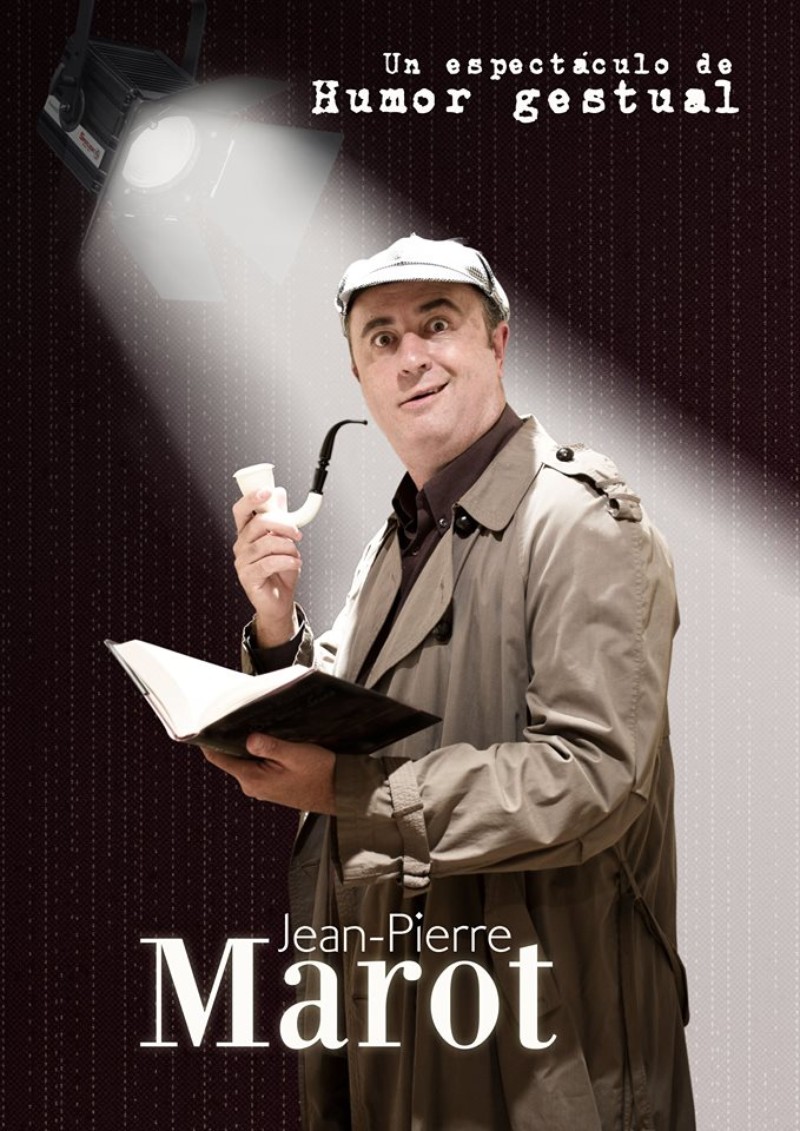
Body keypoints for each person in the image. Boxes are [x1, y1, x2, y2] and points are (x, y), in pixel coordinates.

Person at [203, 235, 696, 1130]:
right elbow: (342, 714)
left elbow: (593, 775)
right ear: (359, 377)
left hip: (549, 1064)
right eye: (382, 339)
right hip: (407, 1041)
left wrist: (352, 791)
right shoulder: (398, 543)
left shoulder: (581, 523)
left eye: (438, 324)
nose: (411, 356)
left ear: (498, 342)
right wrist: (275, 623)